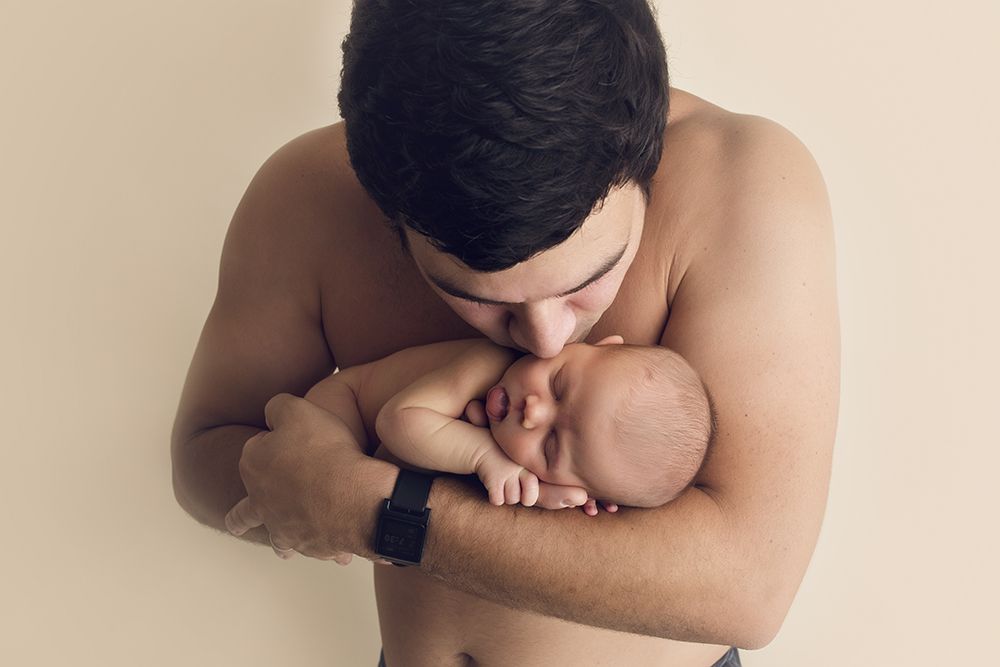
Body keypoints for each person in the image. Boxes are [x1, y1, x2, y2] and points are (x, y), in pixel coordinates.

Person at [171, 0, 840, 665]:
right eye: (475, 298)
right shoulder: (303, 199)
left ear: (648, 147)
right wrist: (293, 482)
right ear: (384, 209)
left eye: (589, 281)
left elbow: (749, 589)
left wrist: (372, 509)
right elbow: (206, 449)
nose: (545, 342)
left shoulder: (744, 183)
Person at [303, 336, 713, 518]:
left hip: (367, 449)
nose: (533, 412)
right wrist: (484, 456)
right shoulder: (487, 362)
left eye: (550, 447)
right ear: (597, 345)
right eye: (557, 384)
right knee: (316, 483)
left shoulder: (531, 444)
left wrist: (544, 496)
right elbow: (396, 422)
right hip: (342, 406)